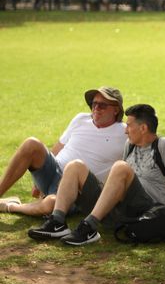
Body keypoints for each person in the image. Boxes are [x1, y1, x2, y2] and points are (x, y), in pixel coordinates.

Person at [27, 104, 165, 245]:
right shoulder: (130, 146)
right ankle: (58, 222)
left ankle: (89, 228)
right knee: (75, 165)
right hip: (120, 209)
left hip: (147, 209)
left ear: (143, 128)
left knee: (120, 167)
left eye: (129, 125)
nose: (126, 130)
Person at [0, 87, 126, 216]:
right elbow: (59, 147)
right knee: (31, 144)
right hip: (53, 171)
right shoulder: (81, 119)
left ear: (116, 109)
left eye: (102, 105)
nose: (96, 108)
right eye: (94, 104)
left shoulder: (125, 133)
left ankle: (11, 206)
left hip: (77, 190)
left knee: (51, 204)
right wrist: (38, 183)